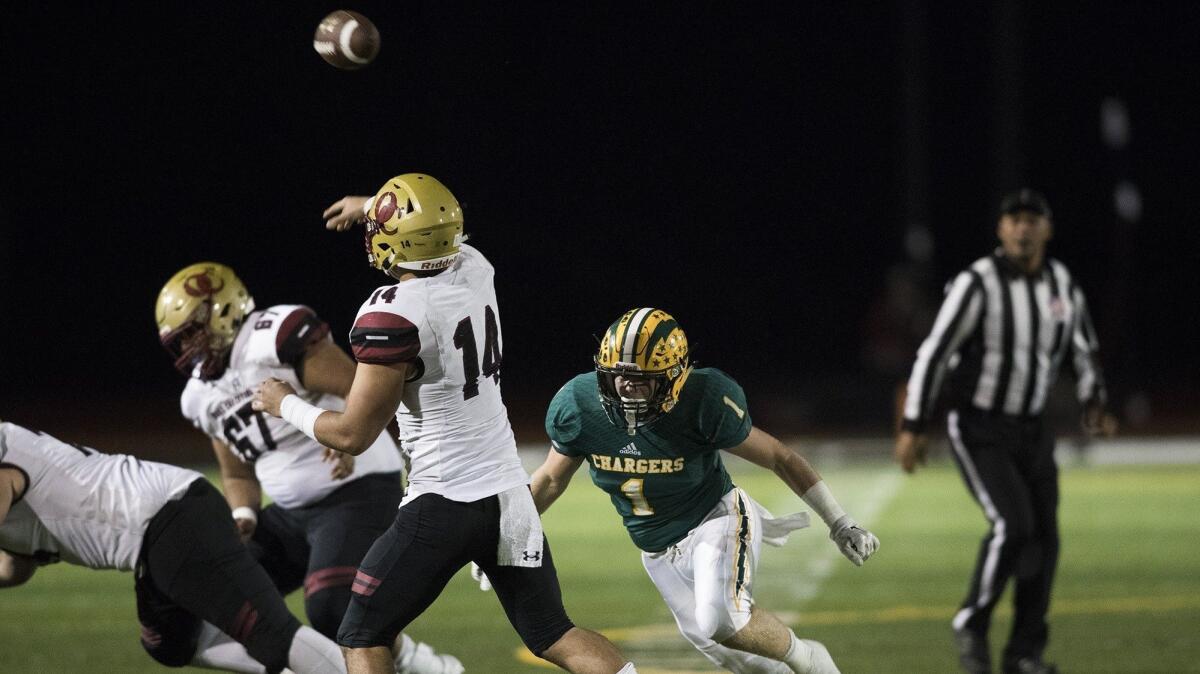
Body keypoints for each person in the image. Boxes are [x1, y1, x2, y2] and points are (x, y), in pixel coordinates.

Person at [252, 173, 636, 674]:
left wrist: (286, 405)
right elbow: (435, 232)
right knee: (554, 632)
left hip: (444, 503)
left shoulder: (392, 314)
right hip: (509, 495)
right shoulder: (475, 268)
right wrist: (374, 205)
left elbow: (353, 434)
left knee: (360, 633)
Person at [528, 307, 880, 674]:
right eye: (618, 376)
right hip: (656, 549)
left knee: (721, 619)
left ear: (675, 376)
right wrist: (508, 540)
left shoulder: (704, 399)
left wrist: (840, 521)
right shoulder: (580, 405)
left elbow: (780, 457)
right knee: (740, 658)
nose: (628, 388)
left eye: (643, 379)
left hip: (715, 518)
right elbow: (551, 479)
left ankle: (809, 660)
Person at [154, 262, 461, 674]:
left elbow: (363, 387)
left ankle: (423, 665)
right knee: (201, 605)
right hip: (289, 513)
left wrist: (350, 432)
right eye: (181, 340)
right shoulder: (198, 395)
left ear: (223, 310)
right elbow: (238, 473)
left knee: (333, 608)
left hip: (356, 489)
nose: (190, 346)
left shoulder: (270, 338)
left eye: (194, 331)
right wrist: (243, 515)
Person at [894, 189, 1117, 674]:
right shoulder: (978, 282)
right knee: (1013, 527)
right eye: (1013, 219)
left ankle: (1024, 653)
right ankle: (971, 624)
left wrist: (1094, 401)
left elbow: (1084, 347)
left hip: (1033, 431)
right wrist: (914, 424)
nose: (1022, 228)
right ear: (1000, 229)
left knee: (1047, 539)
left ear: (1047, 229)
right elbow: (935, 351)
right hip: (979, 426)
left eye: (1032, 219)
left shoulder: (1061, 283)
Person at [0, 421, 346, 674]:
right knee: (171, 642)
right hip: (155, 531)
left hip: (167, 516)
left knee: (270, 632)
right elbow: (14, 567)